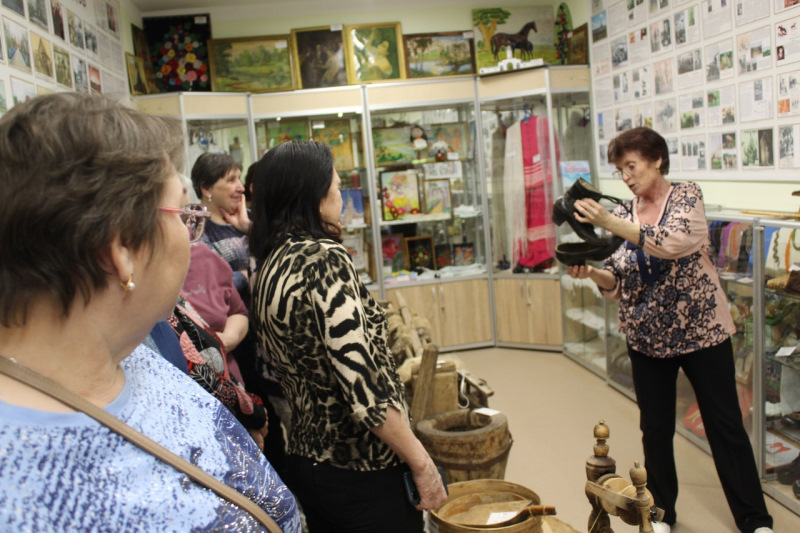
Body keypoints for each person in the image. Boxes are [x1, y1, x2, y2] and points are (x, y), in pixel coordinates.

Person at [0, 93, 299, 532]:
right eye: (181, 214)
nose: (189, 234)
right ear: (121, 248)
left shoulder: (137, 354)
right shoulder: (21, 490)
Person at [566, 127, 773, 533]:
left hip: (702, 332)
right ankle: (660, 513)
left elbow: (671, 242)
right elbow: (617, 279)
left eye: (631, 166)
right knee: (655, 430)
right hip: (647, 338)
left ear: (657, 159)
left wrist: (609, 221)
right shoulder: (625, 213)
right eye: (620, 170)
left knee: (725, 426)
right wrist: (591, 272)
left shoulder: (686, 197)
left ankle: (754, 518)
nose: (626, 177)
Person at [249, 141, 448, 532]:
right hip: (362, 466)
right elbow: (365, 386)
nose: (342, 199)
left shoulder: (271, 264)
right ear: (314, 196)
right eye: (338, 188)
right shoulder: (324, 258)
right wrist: (421, 462)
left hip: (307, 456)